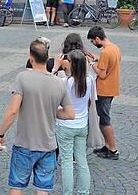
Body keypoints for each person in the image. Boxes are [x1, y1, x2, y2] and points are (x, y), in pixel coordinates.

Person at [0, 39, 75, 195]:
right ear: (47, 58)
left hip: (25, 144)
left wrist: (0, 134)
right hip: (48, 145)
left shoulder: (22, 78)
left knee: (16, 186)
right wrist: (51, 110)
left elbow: (13, 111)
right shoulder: (59, 83)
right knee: (42, 189)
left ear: (31, 59)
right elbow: (70, 114)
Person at [56, 50, 94, 195]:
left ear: (72, 64)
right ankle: (84, 192)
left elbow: (50, 81)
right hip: (82, 125)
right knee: (82, 160)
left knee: (66, 162)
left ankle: (68, 193)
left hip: (66, 125)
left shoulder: (67, 82)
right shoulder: (89, 80)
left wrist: (56, 67)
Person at [86, 26, 121, 160]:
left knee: (104, 119)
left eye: (92, 41)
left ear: (97, 38)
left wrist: (91, 63)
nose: (93, 44)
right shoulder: (114, 48)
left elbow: (102, 73)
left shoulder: (106, 53)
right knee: (103, 117)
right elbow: (109, 65)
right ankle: (107, 145)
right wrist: (96, 59)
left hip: (104, 89)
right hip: (112, 87)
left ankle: (113, 149)